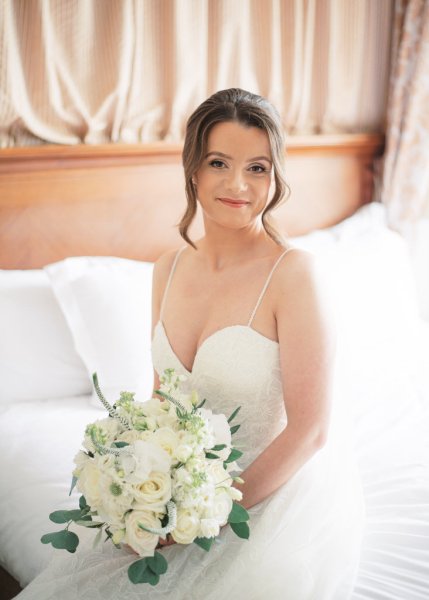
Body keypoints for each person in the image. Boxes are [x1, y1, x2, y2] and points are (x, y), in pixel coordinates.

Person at [16, 88, 365, 599]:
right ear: (193, 169)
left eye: (258, 168)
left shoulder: (294, 275)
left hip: (261, 494)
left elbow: (310, 430)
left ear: (276, 176)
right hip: (176, 496)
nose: (238, 185)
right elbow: (165, 399)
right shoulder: (168, 267)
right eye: (219, 162)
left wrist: (203, 516)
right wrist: (142, 495)